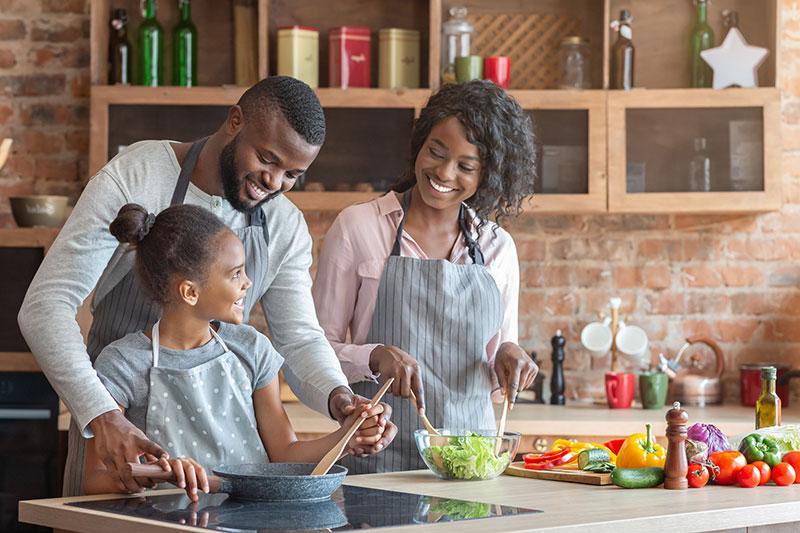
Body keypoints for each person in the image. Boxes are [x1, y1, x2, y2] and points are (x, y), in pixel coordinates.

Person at [18, 76, 395, 496]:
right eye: (267, 159)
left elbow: (300, 339)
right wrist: (103, 415)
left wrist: (339, 398)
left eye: (292, 174)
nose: (274, 182)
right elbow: (45, 305)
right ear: (235, 120)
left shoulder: (284, 226)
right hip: (112, 440)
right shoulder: (139, 175)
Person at [84, 204, 386, 501]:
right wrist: (160, 474)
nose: (248, 282)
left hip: (250, 523)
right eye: (236, 273)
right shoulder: (122, 363)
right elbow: (95, 479)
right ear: (190, 292)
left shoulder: (252, 348)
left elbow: (283, 455)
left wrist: (347, 437)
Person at [312, 80, 539, 472]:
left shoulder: (498, 247)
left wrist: (509, 357)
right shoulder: (359, 227)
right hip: (377, 455)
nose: (444, 172)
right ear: (419, 143)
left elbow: (499, 365)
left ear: (487, 176)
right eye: (436, 151)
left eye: (466, 166)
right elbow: (313, 350)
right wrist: (373, 356)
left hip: (471, 460)